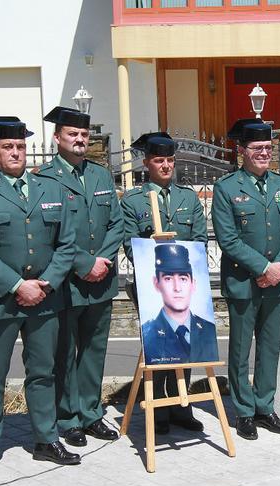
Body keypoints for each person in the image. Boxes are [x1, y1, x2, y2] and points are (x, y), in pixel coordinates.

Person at [0, 116, 79, 475]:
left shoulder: (52, 188)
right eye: (8, 147)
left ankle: (45, 438)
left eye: (21, 146)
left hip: (45, 300)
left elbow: (67, 243)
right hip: (0, 301)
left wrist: (46, 283)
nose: (16, 152)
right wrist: (17, 285)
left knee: (43, 372)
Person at [36, 106, 124, 448]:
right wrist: (85, 263)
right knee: (65, 352)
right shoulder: (44, 179)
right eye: (73, 134)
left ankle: (91, 413)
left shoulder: (101, 176)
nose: (80, 140)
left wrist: (102, 260)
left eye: (84, 135)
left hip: (101, 281)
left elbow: (116, 223)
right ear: (57, 138)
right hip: (68, 284)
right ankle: (67, 416)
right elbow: (51, 235)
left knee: (94, 350)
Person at [211, 118, 280, 440]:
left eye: (268, 147)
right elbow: (228, 239)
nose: (264, 153)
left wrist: (279, 266)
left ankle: (265, 406)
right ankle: (244, 411)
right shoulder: (226, 188)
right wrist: (263, 268)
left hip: (277, 281)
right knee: (240, 350)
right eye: (257, 148)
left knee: (269, 347)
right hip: (243, 282)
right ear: (242, 151)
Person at [122, 131, 208, 435]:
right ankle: (158, 405)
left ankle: (181, 406)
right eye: (159, 160)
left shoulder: (187, 198)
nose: (166, 165)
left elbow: (199, 240)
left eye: (170, 160)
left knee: (185, 342)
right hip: (151, 285)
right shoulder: (133, 201)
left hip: (184, 285)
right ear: (147, 163)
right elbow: (129, 244)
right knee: (159, 343)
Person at [141, 244, 218, 364]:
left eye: (183, 279)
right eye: (168, 278)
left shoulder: (208, 330)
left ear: (193, 284)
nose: (177, 288)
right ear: (157, 284)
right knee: (155, 379)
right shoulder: (148, 333)